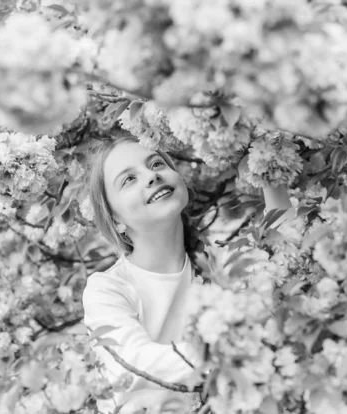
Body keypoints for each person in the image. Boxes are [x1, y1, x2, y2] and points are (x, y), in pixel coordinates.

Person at [82, 135, 292, 413]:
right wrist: (237, 349)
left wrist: (269, 158)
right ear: (116, 219)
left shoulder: (220, 264)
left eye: (156, 164)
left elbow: (287, 254)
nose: (151, 176)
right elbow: (134, 363)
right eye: (128, 180)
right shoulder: (107, 288)